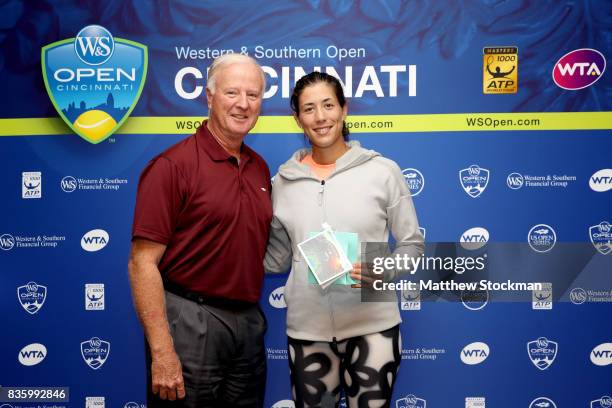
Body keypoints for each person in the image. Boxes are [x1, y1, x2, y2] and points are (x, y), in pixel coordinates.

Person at [265, 72, 425, 408]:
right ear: (297, 119)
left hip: (374, 327)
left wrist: (384, 268)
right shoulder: (281, 182)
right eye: (309, 109)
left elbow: (412, 245)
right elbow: (277, 259)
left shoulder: (382, 172)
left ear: (344, 109)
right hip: (308, 332)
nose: (320, 117)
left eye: (328, 105)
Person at [128, 53, 272, 407]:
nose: (243, 104)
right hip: (190, 322)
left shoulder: (259, 168)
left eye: (253, 95)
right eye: (232, 93)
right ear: (209, 97)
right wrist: (162, 352)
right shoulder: (171, 166)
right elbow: (141, 264)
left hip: (248, 324)